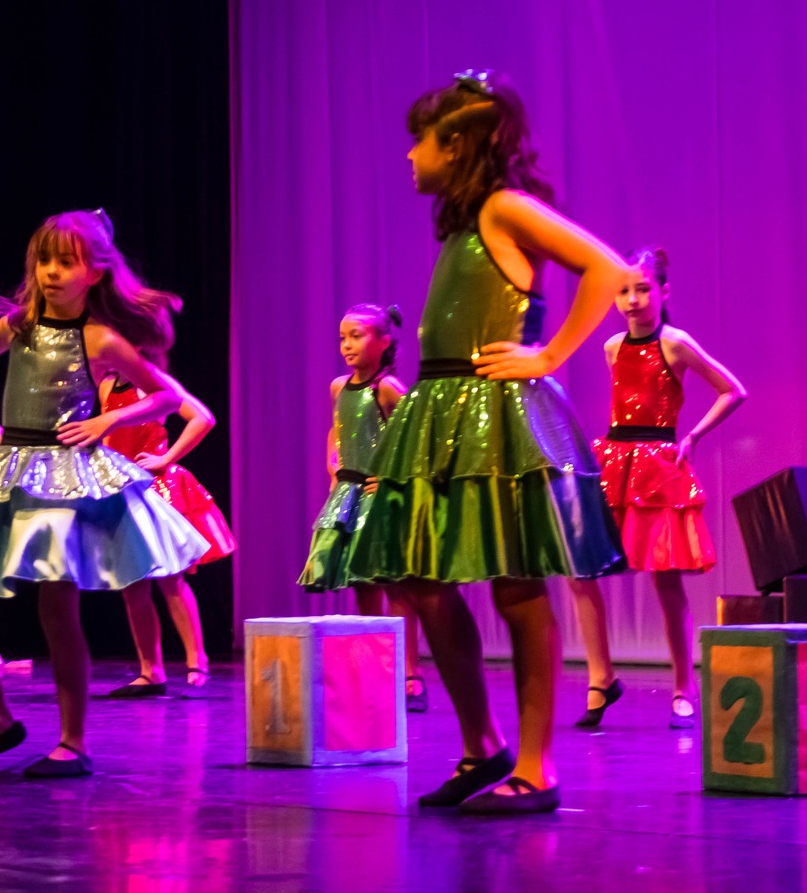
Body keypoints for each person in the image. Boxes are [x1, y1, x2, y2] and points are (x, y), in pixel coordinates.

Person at [345, 72, 628, 815]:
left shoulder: (505, 205)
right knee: (420, 582)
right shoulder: (465, 222)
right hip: (440, 407)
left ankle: (537, 766)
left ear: (456, 144)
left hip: (495, 415)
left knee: (516, 585)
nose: (409, 154)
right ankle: (483, 745)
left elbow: (606, 268)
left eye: (419, 139)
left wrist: (549, 354)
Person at [0, 210, 211, 777]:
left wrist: (106, 421)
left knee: (57, 607)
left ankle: (73, 743)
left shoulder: (100, 339)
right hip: (10, 468)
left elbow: (167, 397)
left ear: (95, 273)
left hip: (63, 478)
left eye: (65, 263)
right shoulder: (20, 324)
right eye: (44, 261)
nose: (51, 272)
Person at [568, 247, 747, 729]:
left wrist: (692, 436)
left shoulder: (675, 342)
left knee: (665, 579)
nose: (631, 299)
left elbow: (732, 390)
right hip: (614, 463)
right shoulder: (612, 347)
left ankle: (683, 688)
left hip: (656, 466)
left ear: (663, 291)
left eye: (642, 289)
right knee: (581, 570)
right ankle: (601, 678)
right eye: (623, 290)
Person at [298, 302, 428, 710]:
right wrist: (332, 463)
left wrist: (392, 477)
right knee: (362, 583)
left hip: (380, 498)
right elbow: (337, 431)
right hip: (349, 493)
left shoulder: (387, 388)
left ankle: (409, 674)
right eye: (342, 338)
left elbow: (415, 438)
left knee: (395, 585)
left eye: (356, 336)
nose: (347, 345)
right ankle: (375, 668)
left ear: (384, 341)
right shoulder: (339, 387)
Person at [100, 340, 235, 698]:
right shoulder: (107, 384)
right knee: (132, 584)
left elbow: (203, 418)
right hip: (123, 489)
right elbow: (109, 436)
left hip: (155, 488)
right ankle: (151, 670)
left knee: (170, 580)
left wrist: (166, 457)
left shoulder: (153, 381)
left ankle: (196, 659)